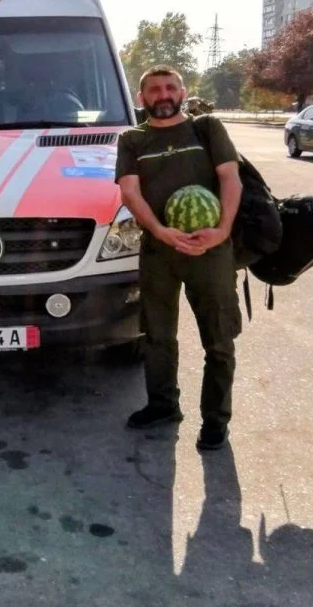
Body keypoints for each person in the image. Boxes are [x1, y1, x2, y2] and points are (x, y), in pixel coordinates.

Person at [115, 65, 243, 451]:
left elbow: (230, 179)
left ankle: (216, 420)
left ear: (183, 91)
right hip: (159, 251)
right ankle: (163, 405)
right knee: (157, 335)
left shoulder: (207, 129)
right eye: (154, 90)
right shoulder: (132, 139)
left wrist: (221, 231)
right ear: (142, 98)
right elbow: (129, 193)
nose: (163, 94)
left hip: (210, 251)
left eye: (170, 87)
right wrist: (160, 230)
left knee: (218, 339)